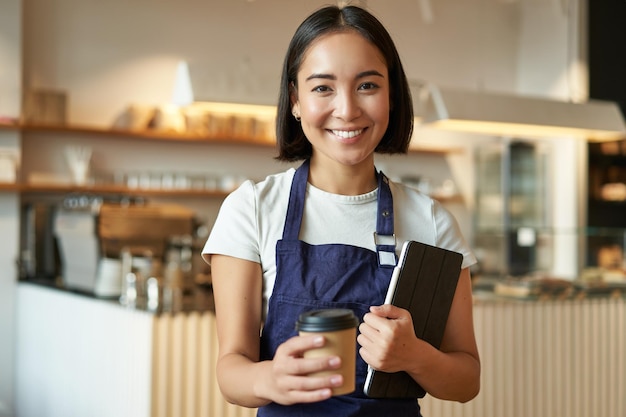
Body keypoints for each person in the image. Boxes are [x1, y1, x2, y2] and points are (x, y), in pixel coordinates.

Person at [202, 4, 480, 416]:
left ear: (392, 96)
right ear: (295, 100)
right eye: (322, 88)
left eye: (367, 85)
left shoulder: (432, 221)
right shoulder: (252, 210)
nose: (347, 109)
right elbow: (231, 371)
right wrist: (270, 379)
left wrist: (414, 356)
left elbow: (466, 380)